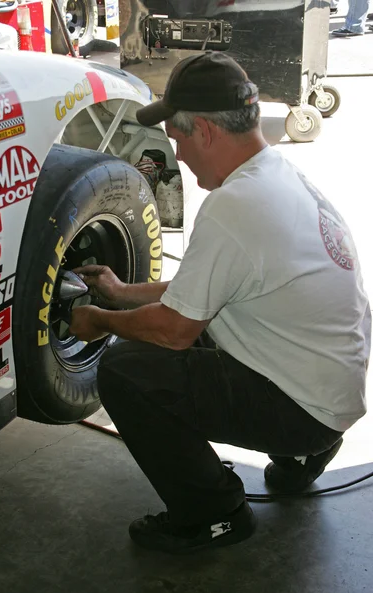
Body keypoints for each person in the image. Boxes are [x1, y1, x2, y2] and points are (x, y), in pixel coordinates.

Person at [69, 51, 371, 555]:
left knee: (125, 371)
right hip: (330, 391)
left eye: (179, 138)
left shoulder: (234, 207)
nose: (178, 154)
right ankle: (301, 460)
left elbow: (174, 330)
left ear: (206, 131)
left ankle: (213, 514)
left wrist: (100, 320)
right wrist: (121, 294)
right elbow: (202, 290)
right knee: (203, 322)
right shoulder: (275, 175)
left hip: (303, 409)